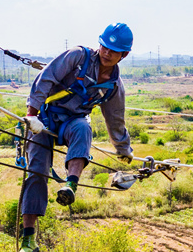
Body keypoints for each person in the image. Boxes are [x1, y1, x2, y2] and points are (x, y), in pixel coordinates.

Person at [20, 22, 134, 252]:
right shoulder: (77, 56)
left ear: (124, 55)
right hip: (44, 119)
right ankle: (28, 240)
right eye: (104, 46)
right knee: (37, 172)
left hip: (72, 124)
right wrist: (31, 114)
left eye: (113, 50)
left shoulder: (112, 86)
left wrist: (123, 150)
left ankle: (70, 186)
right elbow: (46, 78)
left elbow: (115, 119)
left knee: (84, 128)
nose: (106, 52)